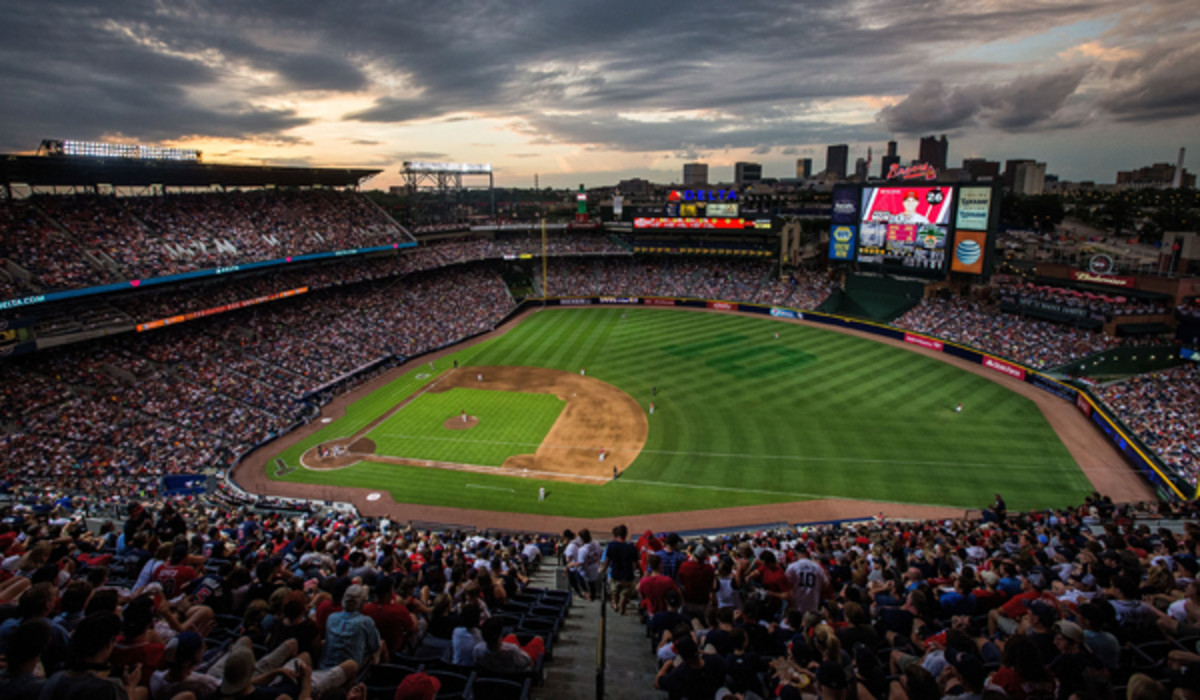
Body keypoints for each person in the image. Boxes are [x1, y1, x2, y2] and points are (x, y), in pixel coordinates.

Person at [604, 524, 639, 616]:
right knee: (625, 594)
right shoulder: (631, 547)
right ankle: (621, 605)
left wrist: (603, 569)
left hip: (615, 576)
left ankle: (615, 604)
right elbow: (635, 565)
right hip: (628, 576)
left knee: (614, 593)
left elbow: (607, 562)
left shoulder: (611, 546)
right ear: (626, 534)